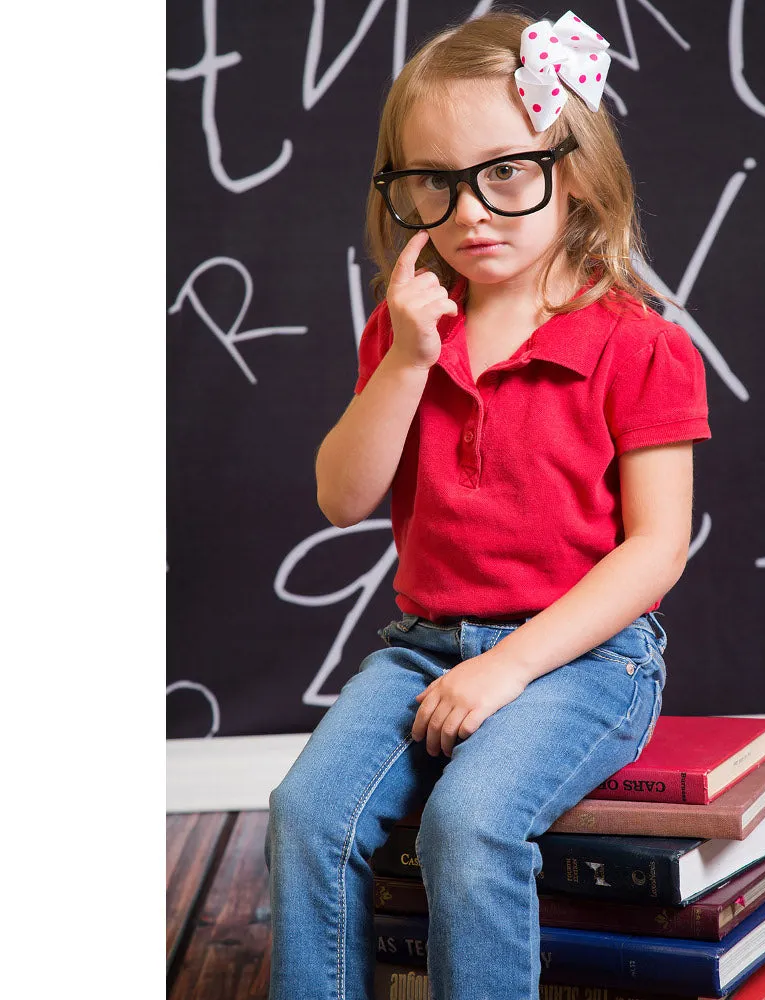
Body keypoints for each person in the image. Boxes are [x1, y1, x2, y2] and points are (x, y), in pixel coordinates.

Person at [265, 10, 710, 1000]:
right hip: (422, 643)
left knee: (466, 822)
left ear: (576, 170)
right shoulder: (409, 328)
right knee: (304, 810)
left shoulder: (639, 342)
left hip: (585, 659)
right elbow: (342, 496)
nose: (469, 210)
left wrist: (506, 667)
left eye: (504, 171)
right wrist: (411, 361)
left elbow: (656, 549)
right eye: (434, 180)